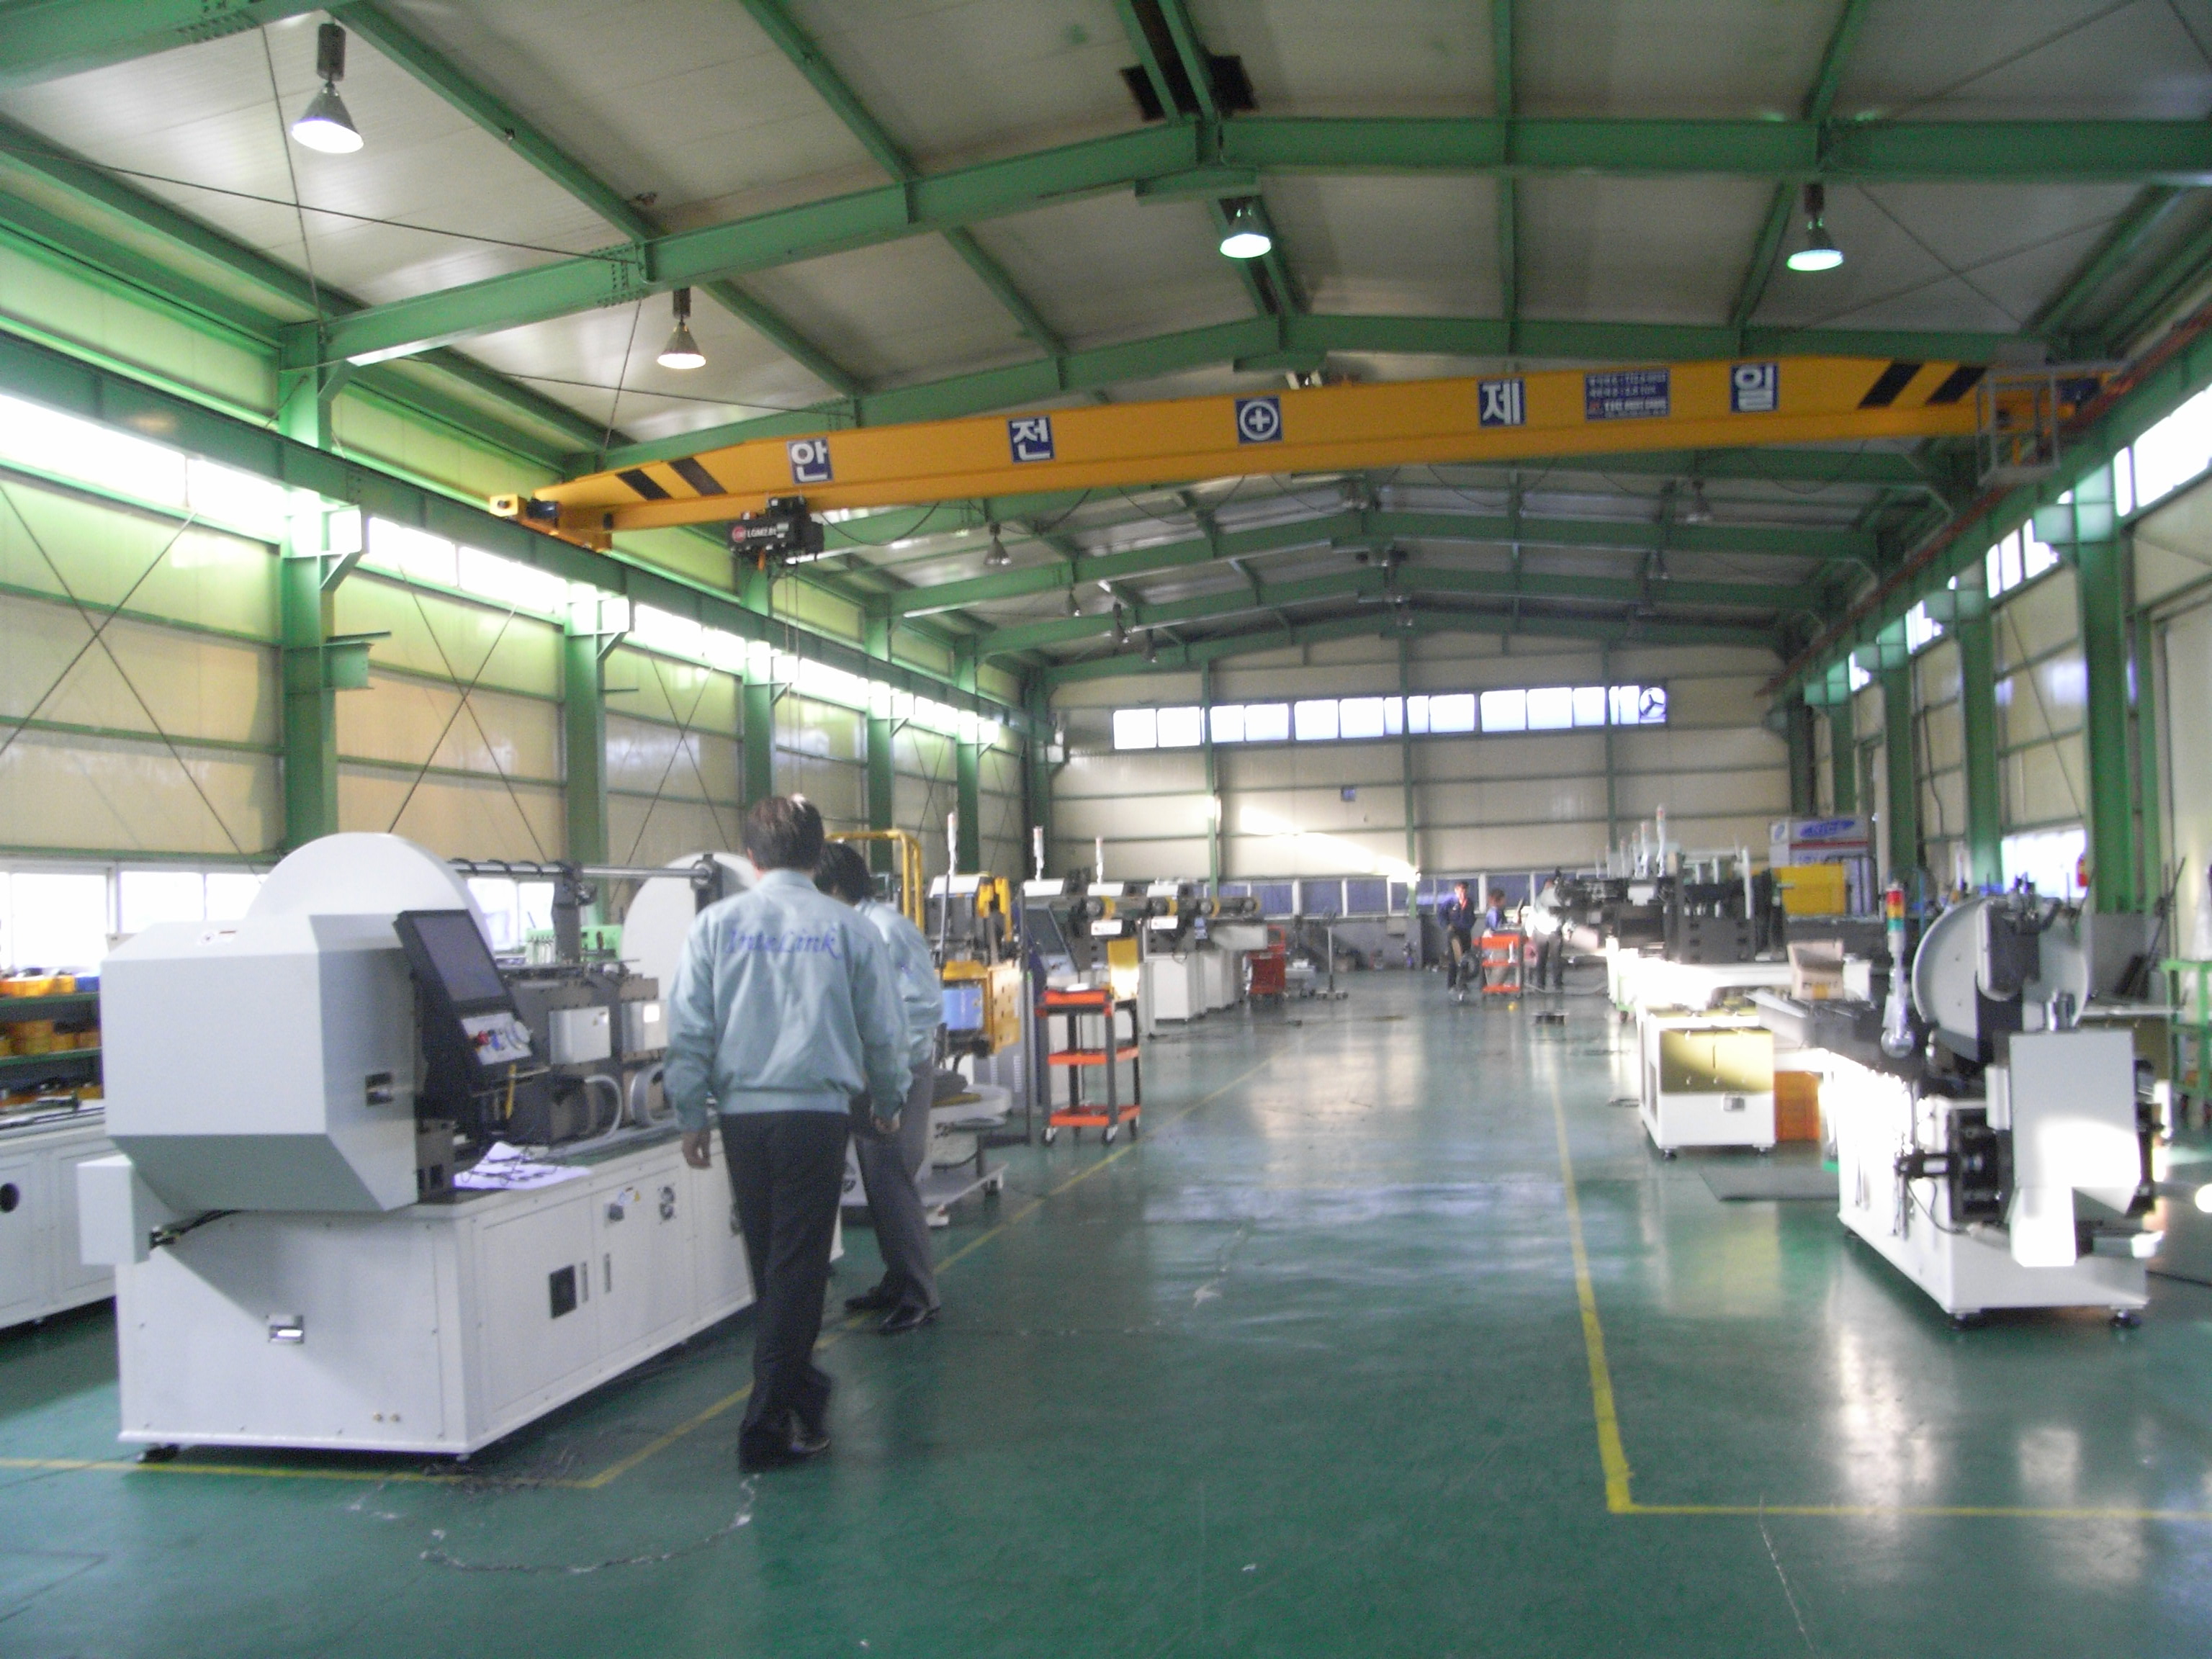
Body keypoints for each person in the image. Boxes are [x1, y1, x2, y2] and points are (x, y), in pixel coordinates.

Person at [666, 796, 911, 1472]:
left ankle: (803, 1393)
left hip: (742, 1118)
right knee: (796, 1269)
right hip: (814, 1116)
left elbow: (689, 1026)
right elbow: (884, 1028)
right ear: (817, 854)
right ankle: (766, 1426)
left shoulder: (714, 926)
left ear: (750, 858)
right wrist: (888, 1099)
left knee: (772, 1265)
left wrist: (691, 1113)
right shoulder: (849, 929)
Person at [814, 841, 942, 1334]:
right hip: (865, 1071)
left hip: (898, 1071)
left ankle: (919, 1296)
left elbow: (921, 1006)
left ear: (835, 888)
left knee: (892, 1182)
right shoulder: (847, 928)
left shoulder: (888, 930)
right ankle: (897, 1280)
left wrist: (893, 1072)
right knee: (877, 1184)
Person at [1439, 880, 1477, 996]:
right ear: (1456, 890)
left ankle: (1463, 983)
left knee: (1465, 958)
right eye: (1461, 890)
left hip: (1465, 933)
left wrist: (1469, 925)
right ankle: (1451, 985)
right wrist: (1447, 925)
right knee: (1454, 959)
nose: (1463, 893)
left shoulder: (1469, 903)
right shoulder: (1449, 902)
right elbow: (1441, 915)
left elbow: (1472, 917)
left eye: (1465, 890)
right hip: (1454, 934)